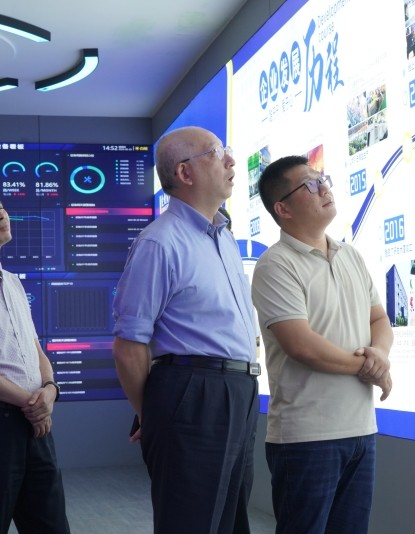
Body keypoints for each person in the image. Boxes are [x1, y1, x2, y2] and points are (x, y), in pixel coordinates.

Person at [112, 127, 259, 534]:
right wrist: (153, 415)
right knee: (191, 522)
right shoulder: (159, 243)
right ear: (184, 172)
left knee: (231, 522)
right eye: (216, 152)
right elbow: (129, 346)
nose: (231, 160)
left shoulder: (225, 239)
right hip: (195, 393)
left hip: (240, 390)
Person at [252, 155, 393, 534]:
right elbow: (302, 345)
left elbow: (379, 321)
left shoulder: (350, 255)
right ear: (283, 209)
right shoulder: (275, 265)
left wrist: (380, 355)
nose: (324, 188)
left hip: (361, 430)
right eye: (310, 185)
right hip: (306, 437)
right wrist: (372, 368)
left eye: (322, 179)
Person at [0, 200, 71, 534]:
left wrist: (50, 389)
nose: (2, 214)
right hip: (12, 419)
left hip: (36, 424)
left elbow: (35, 348)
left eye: (1, 207)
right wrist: (33, 405)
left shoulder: (13, 282)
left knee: (51, 526)